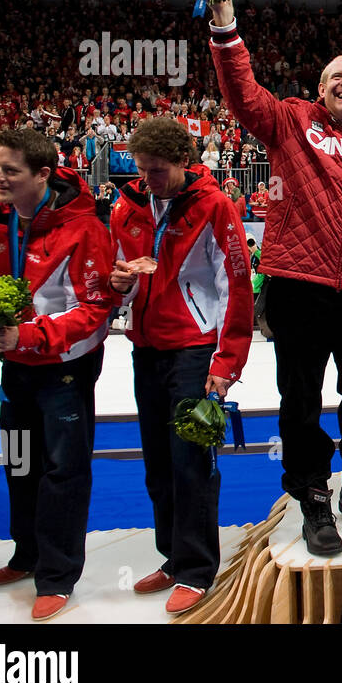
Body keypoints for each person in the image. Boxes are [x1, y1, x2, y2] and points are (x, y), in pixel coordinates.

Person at [206, 0, 342, 558]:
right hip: (298, 285)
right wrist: (225, 24)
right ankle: (313, 494)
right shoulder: (290, 121)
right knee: (301, 399)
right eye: (336, 75)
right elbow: (243, 94)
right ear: (320, 90)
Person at [107, 118, 254, 615]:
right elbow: (118, 277)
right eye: (142, 170)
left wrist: (227, 361)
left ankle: (196, 569)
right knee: (158, 462)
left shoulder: (214, 206)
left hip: (194, 348)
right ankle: (172, 557)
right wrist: (119, 285)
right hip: (145, 346)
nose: (148, 179)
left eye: (158, 170)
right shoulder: (126, 206)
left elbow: (236, 282)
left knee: (190, 460)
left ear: (183, 162)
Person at [0, 127, 112, 620]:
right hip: (15, 361)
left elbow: (95, 308)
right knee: (20, 462)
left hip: (64, 365)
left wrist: (28, 336)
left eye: (10, 170)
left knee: (63, 470)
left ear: (42, 175)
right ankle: (28, 554)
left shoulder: (85, 227)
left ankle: (57, 575)